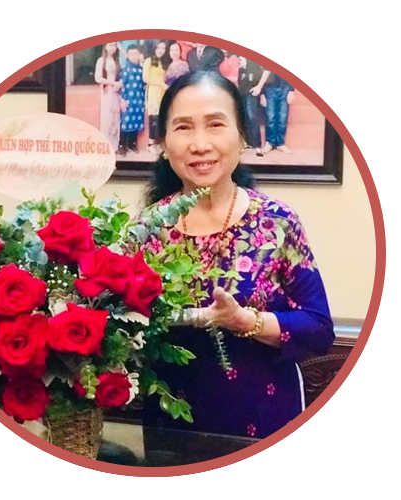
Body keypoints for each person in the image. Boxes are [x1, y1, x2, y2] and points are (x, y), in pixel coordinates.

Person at [141, 71, 334, 439]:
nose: (200, 144)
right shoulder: (145, 229)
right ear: (163, 142)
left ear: (242, 136)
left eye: (216, 124)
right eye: (183, 127)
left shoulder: (277, 222)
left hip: (266, 421)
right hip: (170, 427)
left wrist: (246, 321)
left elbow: (319, 329)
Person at [238, 57, 271, 157]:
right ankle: (247, 143)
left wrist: (259, 87)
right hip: (242, 89)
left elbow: (266, 70)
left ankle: (257, 145)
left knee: (252, 116)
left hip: (252, 90)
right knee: (244, 116)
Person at [117, 44, 145, 156]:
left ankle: (132, 144)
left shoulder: (141, 69)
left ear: (139, 54)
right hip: (128, 100)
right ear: (127, 55)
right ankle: (122, 145)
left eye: (135, 53)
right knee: (125, 122)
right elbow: (121, 86)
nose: (133, 56)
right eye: (131, 54)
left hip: (138, 101)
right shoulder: (125, 69)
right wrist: (122, 100)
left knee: (136, 122)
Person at [143, 40, 170, 154]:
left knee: (160, 118)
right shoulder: (148, 61)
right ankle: (150, 144)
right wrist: (159, 84)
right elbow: (145, 78)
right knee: (153, 118)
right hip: (153, 92)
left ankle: (158, 143)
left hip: (162, 92)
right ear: (154, 48)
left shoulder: (163, 61)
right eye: (158, 48)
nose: (160, 51)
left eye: (163, 48)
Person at [94, 42, 122, 151]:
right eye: (110, 45)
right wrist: (112, 83)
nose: (112, 48)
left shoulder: (118, 60)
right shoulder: (101, 61)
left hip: (116, 92)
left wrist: (119, 84)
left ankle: (114, 145)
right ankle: (106, 144)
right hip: (106, 92)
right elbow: (98, 78)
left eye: (114, 45)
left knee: (115, 116)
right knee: (107, 116)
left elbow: (121, 76)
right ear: (105, 46)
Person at [261, 74, 296, 154]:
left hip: (285, 87)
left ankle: (280, 143)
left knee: (283, 117)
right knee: (270, 117)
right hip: (269, 88)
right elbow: (262, 72)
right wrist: (262, 93)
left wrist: (291, 90)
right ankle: (270, 142)